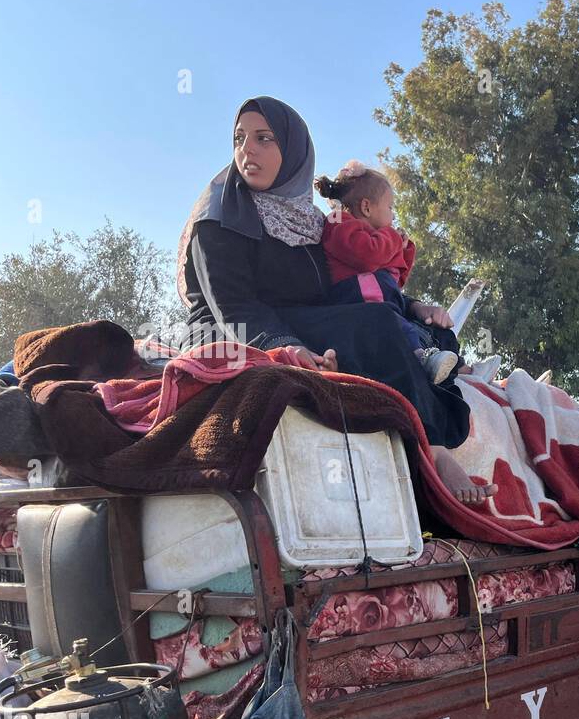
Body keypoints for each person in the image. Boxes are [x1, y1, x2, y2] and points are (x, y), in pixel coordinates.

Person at [177, 96, 492, 504]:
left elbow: (351, 281)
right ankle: (434, 447)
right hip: (236, 329)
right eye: (239, 139)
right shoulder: (220, 215)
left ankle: (451, 386)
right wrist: (286, 348)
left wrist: (416, 307)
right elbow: (232, 307)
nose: (246, 150)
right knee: (375, 326)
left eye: (264, 138)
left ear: (293, 150)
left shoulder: (308, 221)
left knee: (412, 326)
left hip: (302, 320)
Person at [315, 161, 458, 385]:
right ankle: (421, 361)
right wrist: (392, 239)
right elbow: (366, 255)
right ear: (367, 207)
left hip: (385, 304)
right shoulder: (340, 223)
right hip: (361, 307)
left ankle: (463, 369)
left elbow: (396, 280)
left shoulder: (376, 240)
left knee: (432, 329)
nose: (393, 217)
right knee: (397, 327)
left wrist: (404, 248)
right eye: (390, 207)